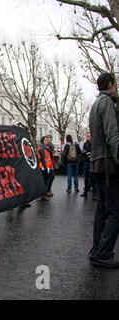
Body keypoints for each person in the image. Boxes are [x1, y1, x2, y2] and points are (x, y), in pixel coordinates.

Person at [88, 73, 119, 269]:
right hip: (108, 163)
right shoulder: (107, 102)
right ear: (110, 85)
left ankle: (97, 250)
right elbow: (112, 135)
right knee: (115, 211)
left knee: (102, 208)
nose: (116, 88)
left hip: (97, 162)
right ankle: (102, 253)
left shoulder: (95, 104)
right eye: (115, 84)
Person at [80, 132, 97, 200]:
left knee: (93, 178)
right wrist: (84, 153)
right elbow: (83, 152)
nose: (88, 138)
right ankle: (85, 192)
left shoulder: (94, 143)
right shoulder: (85, 144)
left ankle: (94, 193)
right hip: (86, 162)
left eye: (89, 136)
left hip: (92, 162)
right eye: (87, 136)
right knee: (86, 178)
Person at [37, 136, 55, 200]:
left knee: (45, 180)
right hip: (44, 166)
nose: (47, 141)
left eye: (47, 140)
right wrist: (45, 167)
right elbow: (42, 158)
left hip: (48, 165)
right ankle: (43, 193)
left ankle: (42, 195)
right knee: (49, 177)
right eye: (46, 140)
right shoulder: (42, 148)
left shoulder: (46, 147)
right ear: (43, 141)